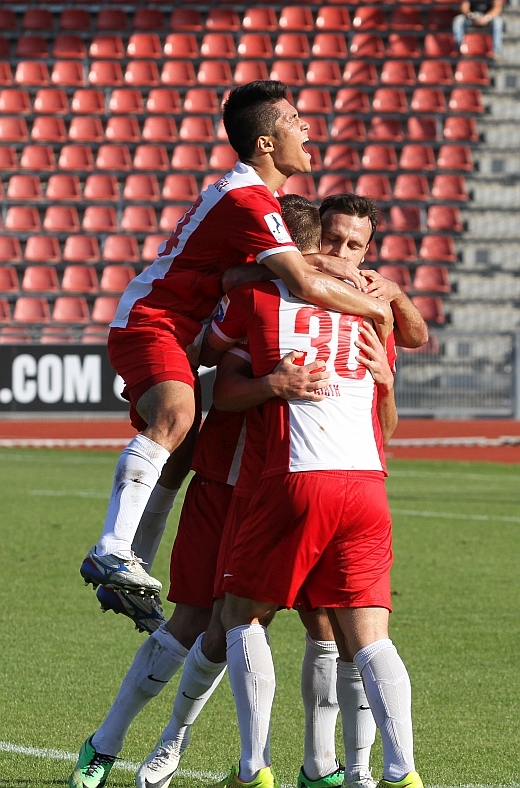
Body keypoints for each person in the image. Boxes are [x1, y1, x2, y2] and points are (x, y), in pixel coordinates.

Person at [79, 80, 392, 598]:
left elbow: (237, 276)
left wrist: (319, 262)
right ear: (266, 143)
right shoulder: (249, 199)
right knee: (175, 416)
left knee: (180, 452)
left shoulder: (255, 197)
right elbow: (301, 282)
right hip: (157, 320)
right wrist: (378, 307)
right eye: (293, 120)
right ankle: (111, 549)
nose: (306, 127)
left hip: (180, 326)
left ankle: (129, 570)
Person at [136, 196, 398, 788]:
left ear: (368, 253)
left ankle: (332, 767)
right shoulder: (261, 299)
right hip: (239, 486)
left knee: (329, 628)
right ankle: (169, 742)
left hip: (332, 486)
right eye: (330, 241)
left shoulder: (366, 314)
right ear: (304, 245)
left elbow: (388, 416)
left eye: (354, 246)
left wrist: (388, 372)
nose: (340, 254)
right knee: (211, 622)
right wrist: (273, 381)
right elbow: (214, 375)